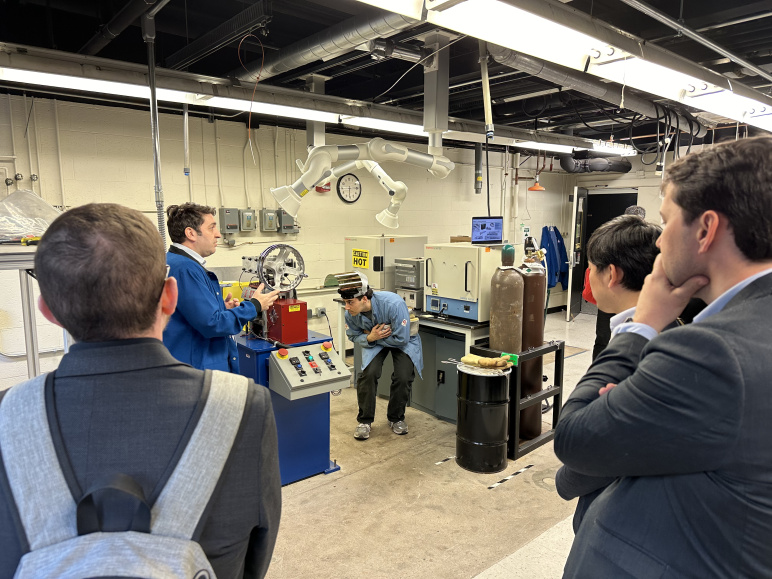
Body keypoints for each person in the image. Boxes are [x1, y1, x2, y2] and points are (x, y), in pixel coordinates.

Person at [0, 203, 281, 578]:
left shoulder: (9, 414)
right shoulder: (244, 407)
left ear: (47, 311)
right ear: (169, 297)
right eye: (212, 227)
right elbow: (255, 553)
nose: (217, 233)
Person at [554, 136, 772, 577]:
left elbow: (576, 439)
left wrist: (642, 327)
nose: (658, 242)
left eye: (666, 220)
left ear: (706, 229)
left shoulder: (710, 352)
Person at [555, 214, 662, 532]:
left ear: (611, 274)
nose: (587, 276)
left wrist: (566, 480)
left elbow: (595, 441)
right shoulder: (675, 325)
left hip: (617, 502)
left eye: (590, 268)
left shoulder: (642, 345)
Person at [164, 203, 279, 372]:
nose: (218, 234)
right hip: (198, 369)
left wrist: (220, 308)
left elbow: (193, 314)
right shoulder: (186, 269)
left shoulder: (175, 262)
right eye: (211, 228)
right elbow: (213, 324)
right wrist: (254, 305)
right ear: (191, 233)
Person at [340, 273, 423, 440]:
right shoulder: (350, 314)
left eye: (350, 302)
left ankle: (396, 418)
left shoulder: (393, 304)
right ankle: (364, 421)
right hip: (375, 340)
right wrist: (370, 338)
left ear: (364, 298)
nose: (347, 307)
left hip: (403, 342)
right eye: (345, 302)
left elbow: (401, 338)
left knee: (403, 376)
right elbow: (353, 336)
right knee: (368, 375)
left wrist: (376, 337)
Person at [587, 205, 648, 360]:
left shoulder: (649, 244)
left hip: (628, 298)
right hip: (618, 300)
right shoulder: (611, 244)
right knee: (602, 337)